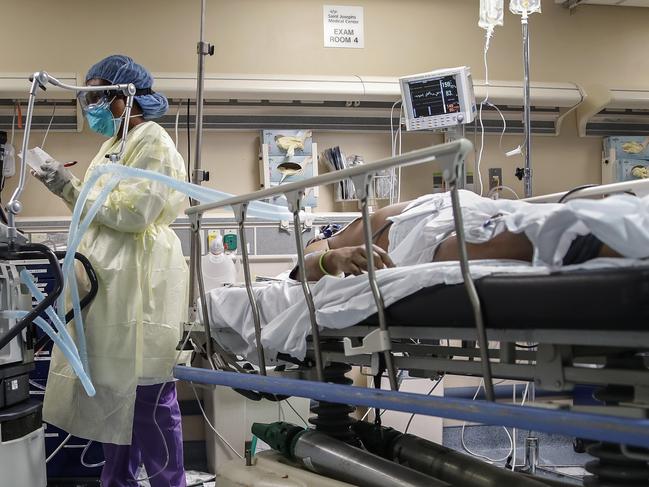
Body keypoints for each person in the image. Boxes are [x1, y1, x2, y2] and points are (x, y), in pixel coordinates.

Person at [34, 55, 188, 487]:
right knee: (114, 399)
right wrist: (66, 190)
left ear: (126, 96)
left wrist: (70, 188)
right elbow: (96, 211)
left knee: (147, 398)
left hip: (139, 285)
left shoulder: (153, 140)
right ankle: (116, 482)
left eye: (98, 96)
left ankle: (168, 483)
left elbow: (137, 212)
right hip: (108, 285)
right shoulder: (111, 146)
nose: (91, 106)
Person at [296, 191, 623, 282]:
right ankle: (604, 238)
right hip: (416, 242)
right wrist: (331, 257)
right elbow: (301, 269)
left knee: (512, 217)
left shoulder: (361, 222)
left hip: (456, 206)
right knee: (486, 239)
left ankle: (614, 223)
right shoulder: (331, 247)